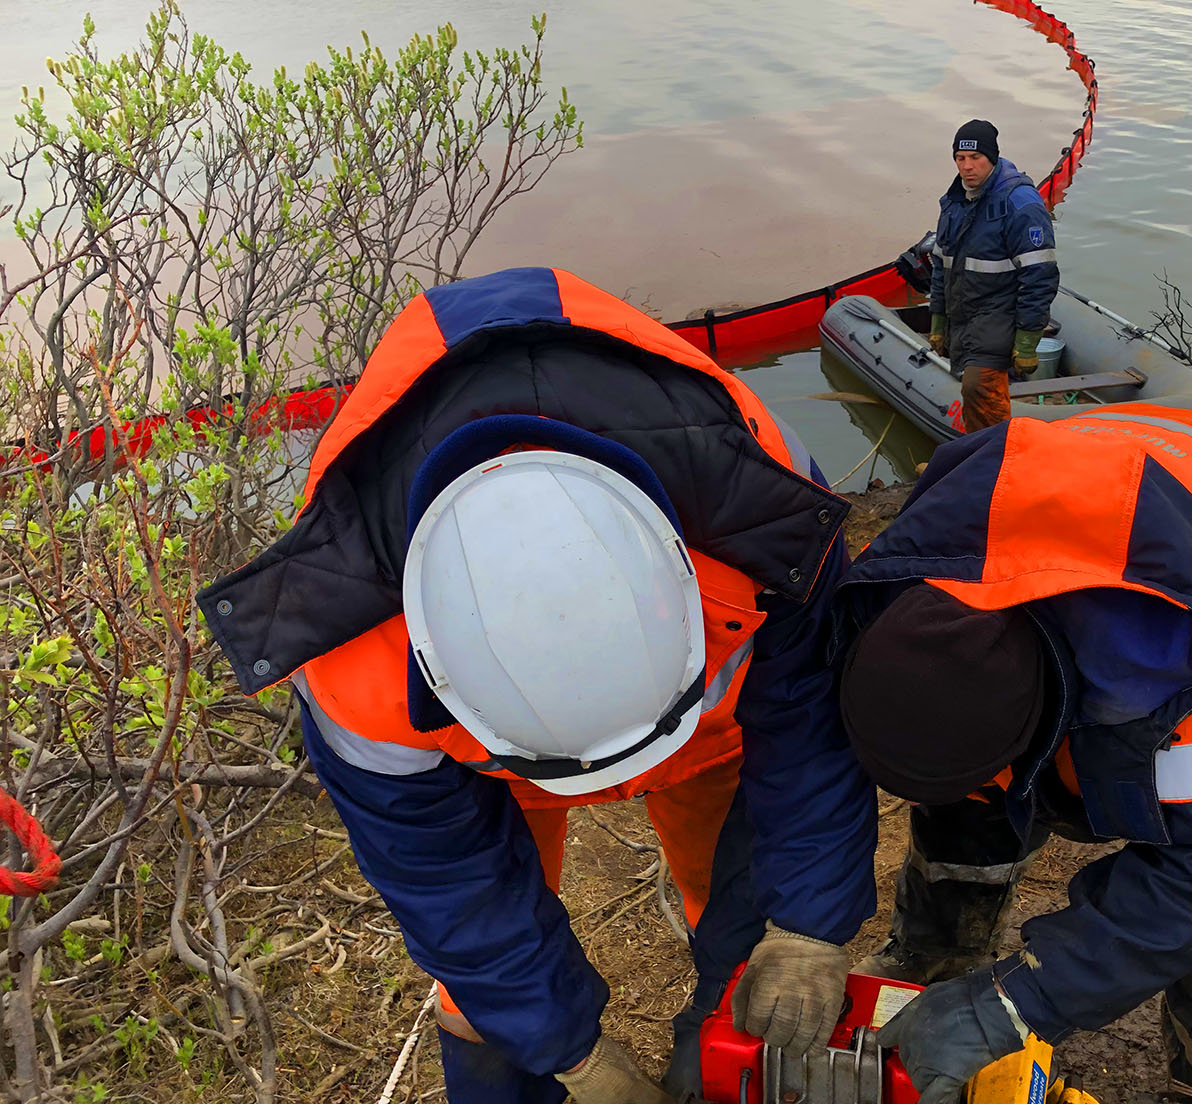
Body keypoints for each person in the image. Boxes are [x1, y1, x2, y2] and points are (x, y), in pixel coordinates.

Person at [199, 268, 877, 1104]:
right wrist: (576, 1058)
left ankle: (720, 1054)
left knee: (742, 924)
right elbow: (452, 888)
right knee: (484, 996)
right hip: (489, 760)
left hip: (708, 731)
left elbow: (810, 721)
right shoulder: (352, 659)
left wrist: (807, 920)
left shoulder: (765, 501)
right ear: (439, 670)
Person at [832, 407, 1192, 1103]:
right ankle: (934, 959)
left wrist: (1020, 1002)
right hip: (1086, 483)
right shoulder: (888, 597)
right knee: (967, 810)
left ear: (1048, 722)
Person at [929, 119, 1059, 433]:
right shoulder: (955, 203)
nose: (967, 167)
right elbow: (941, 265)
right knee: (973, 391)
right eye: (960, 159)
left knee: (979, 388)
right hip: (966, 313)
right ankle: (980, 458)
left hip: (1001, 313)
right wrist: (938, 322)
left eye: (976, 158)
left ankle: (994, 460)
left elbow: (1039, 274)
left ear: (993, 158)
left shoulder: (1020, 204)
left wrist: (1027, 341)